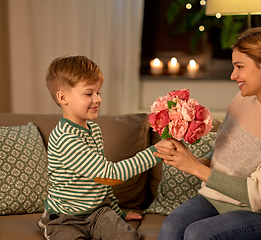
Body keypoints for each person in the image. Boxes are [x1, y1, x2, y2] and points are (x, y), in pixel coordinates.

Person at [154, 27, 261, 240]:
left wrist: (194, 167)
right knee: (170, 227)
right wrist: (188, 160)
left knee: (198, 234)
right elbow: (222, 155)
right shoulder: (241, 101)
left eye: (239, 67)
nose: (233, 75)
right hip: (214, 198)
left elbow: (258, 194)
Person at [38, 55, 173, 240]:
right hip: (66, 218)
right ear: (63, 97)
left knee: (129, 237)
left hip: (98, 212)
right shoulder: (65, 138)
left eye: (98, 92)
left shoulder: (93, 129)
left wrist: (118, 212)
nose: (97, 99)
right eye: (89, 93)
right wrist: (156, 151)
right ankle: (49, 222)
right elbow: (109, 175)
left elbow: (100, 181)